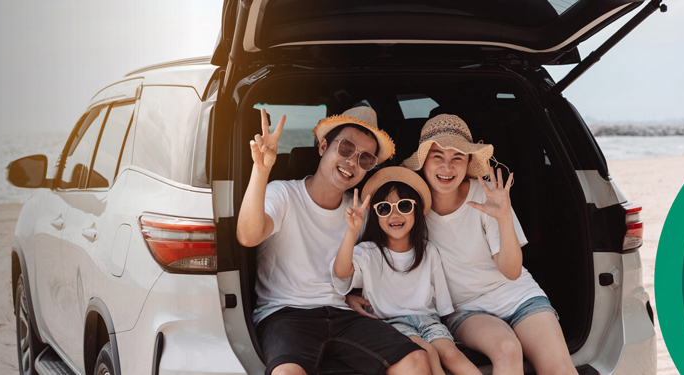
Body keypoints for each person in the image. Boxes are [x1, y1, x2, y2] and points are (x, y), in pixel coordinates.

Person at [348, 114, 577, 375]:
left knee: (560, 367)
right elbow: (369, 255)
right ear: (423, 162)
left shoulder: (487, 195)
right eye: (438, 157)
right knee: (507, 348)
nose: (447, 167)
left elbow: (512, 271)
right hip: (465, 309)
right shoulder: (407, 205)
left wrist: (503, 217)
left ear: (468, 162)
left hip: (518, 296)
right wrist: (349, 295)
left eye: (457, 157)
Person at [237, 106, 429, 375]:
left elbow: (369, 262)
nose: (352, 161)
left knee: (416, 361)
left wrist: (350, 294)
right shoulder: (283, 194)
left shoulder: (360, 210)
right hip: (285, 315)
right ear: (323, 146)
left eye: (365, 159)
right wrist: (261, 169)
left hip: (342, 315)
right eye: (346, 148)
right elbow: (248, 236)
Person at [331, 167, 482, 375]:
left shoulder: (429, 250)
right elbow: (341, 272)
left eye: (404, 205)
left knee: (451, 354)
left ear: (417, 211)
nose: (394, 214)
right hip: (391, 324)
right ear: (375, 214)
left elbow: (444, 306)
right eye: (384, 208)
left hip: (428, 321)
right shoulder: (368, 252)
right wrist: (351, 231)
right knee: (427, 352)